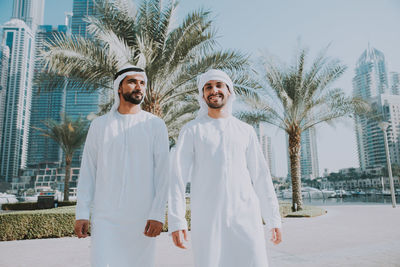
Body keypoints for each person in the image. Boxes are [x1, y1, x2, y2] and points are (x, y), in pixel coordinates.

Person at [168, 69, 282, 267]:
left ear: (229, 91)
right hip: (208, 219)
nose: (214, 90)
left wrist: (273, 219)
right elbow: (177, 178)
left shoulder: (245, 130)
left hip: (246, 217)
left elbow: (261, 176)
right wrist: (177, 222)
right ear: (202, 95)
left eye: (219, 85)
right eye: (208, 87)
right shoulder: (192, 130)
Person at [74, 65, 169, 267]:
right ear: (119, 87)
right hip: (105, 217)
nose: (139, 87)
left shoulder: (155, 124)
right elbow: (89, 170)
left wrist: (157, 214)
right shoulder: (100, 125)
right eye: (133, 82)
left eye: (142, 83)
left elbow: (162, 173)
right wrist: (82, 212)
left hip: (142, 218)